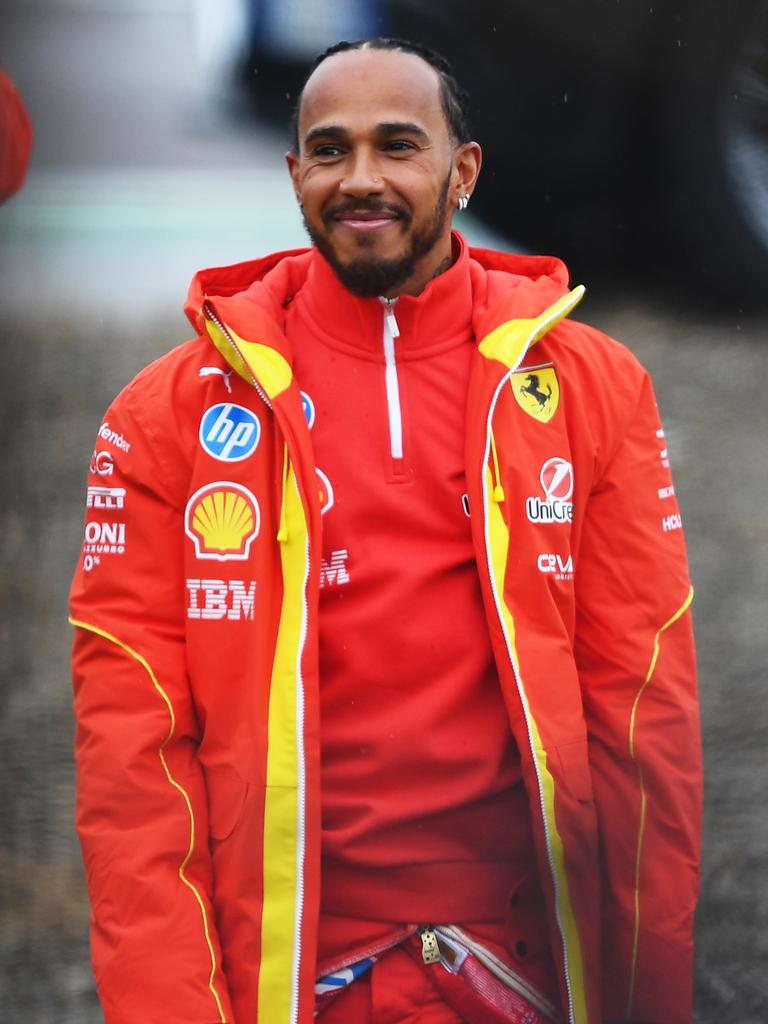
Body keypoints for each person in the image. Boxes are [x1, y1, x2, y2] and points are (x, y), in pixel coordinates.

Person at [69, 38, 701, 1024]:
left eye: (397, 146)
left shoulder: (595, 388)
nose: (360, 179)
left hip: (525, 969)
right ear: (294, 176)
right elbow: (133, 767)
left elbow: (644, 722)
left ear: (464, 171)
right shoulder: (165, 417)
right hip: (288, 973)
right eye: (329, 151)